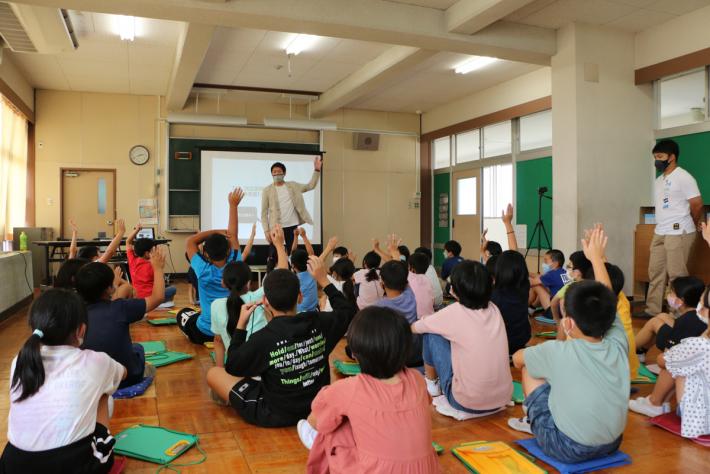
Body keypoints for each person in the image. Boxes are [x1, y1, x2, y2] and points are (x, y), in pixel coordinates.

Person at [508, 228, 629, 464]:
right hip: (613, 442)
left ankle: (530, 421)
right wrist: (596, 257)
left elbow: (517, 359)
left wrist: (528, 355)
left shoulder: (557, 351)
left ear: (569, 323)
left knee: (530, 369)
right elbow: (608, 300)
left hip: (568, 448)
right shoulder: (617, 342)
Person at [205, 256, 357, 427]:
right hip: (316, 406)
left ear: (265, 302)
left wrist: (241, 326)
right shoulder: (320, 322)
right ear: (300, 297)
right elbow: (348, 311)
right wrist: (324, 281)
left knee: (214, 373)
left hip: (276, 414)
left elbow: (233, 365)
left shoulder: (263, 338)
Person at [297, 306, 440, 473]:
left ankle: (320, 445)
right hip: (426, 469)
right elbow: (425, 402)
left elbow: (314, 421)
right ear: (406, 349)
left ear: (355, 355)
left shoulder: (348, 389)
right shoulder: (417, 379)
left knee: (335, 427)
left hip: (374, 469)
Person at [0, 289, 126, 473]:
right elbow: (123, 373)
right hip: (72, 465)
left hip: (13, 464)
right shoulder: (94, 361)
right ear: (81, 330)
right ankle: (99, 443)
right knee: (104, 393)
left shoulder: (20, 360)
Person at [413, 260, 512, 419]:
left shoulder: (454, 311)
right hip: (502, 398)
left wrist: (425, 319)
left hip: (465, 401)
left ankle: (432, 385)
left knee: (430, 333)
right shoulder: (494, 309)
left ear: (455, 290)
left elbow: (416, 327)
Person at [629, 225, 710, 419]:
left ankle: (655, 402)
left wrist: (670, 358)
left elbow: (661, 361)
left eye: (702, 302)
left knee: (674, 363)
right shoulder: (701, 335)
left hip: (696, 415)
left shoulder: (697, 339)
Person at [76, 249, 166, 388]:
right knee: (138, 349)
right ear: (109, 288)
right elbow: (158, 297)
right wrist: (158, 269)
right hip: (126, 379)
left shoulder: (74, 312)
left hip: (90, 381)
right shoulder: (121, 308)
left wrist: (114, 285)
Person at [642, 139, 704, 318]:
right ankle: (652, 310)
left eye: (660, 156)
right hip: (660, 231)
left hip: (679, 231)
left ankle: (678, 313)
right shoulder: (659, 180)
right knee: (655, 272)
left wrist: (690, 222)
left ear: (672, 157)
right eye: (655, 156)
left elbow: (697, 203)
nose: (657, 160)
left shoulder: (684, 177)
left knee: (677, 275)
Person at [180, 188, 245, 344]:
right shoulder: (235, 264)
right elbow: (233, 235)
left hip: (205, 331)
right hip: (232, 330)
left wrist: (215, 231)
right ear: (228, 250)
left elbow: (190, 242)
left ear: (206, 254)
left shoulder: (203, 270)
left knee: (183, 313)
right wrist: (233, 206)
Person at [261, 158, 322, 261]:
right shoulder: (267, 190)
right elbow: (263, 213)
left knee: (292, 254)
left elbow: (310, 186)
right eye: (274, 172)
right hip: (276, 227)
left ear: (284, 173)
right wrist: (266, 231)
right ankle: (272, 275)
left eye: (279, 172)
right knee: (274, 255)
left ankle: (292, 275)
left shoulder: (293, 185)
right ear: (271, 174)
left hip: (292, 226)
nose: (276, 174)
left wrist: (316, 171)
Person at [634, 276, 705, 357]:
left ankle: (629, 351)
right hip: (694, 342)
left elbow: (672, 351)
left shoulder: (684, 320)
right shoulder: (700, 312)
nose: (669, 295)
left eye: (671, 293)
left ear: (681, 300)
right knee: (662, 316)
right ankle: (641, 350)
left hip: (683, 350)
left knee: (654, 322)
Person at [373, 260, 422, 367]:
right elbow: (403, 275)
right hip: (414, 352)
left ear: (382, 283)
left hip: (395, 357)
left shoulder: (379, 306)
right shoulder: (410, 295)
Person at [126, 223, 176, 308]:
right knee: (173, 289)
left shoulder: (132, 260)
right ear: (147, 253)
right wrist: (160, 267)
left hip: (138, 297)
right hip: (153, 297)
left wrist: (137, 230)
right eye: (152, 250)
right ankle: (160, 304)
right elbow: (160, 283)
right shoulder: (153, 265)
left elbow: (128, 241)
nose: (154, 251)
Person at [407, 252, 435, 319]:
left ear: (411, 268)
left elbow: (397, 264)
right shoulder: (427, 280)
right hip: (430, 317)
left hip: (416, 319)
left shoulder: (410, 277)